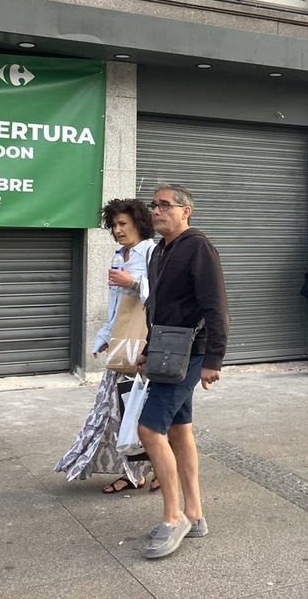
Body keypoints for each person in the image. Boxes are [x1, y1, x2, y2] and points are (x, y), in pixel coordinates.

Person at [134, 184, 229, 559]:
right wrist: (146, 349)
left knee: (149, 429)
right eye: (153, 205)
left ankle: (173, 518)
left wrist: (213, 360)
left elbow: (216, 305)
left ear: (186, 211)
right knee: (178, 428)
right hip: (165, 351)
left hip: (191, 351)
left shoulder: (198, 246)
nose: (156, 211)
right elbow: (158, 308)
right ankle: (195, 513)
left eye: (164, 205)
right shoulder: (159, 251)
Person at [55, 198, 159, 494]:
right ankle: (134, 472)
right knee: (120, 411)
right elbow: (116, 306)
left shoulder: (152, 252)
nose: (117, 230)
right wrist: (104, 337)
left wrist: (135, 282)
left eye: (122, 224)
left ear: (139, 223)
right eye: (113, 225)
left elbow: (165, 296)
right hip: (124, 342)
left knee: (138, 410)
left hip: (146, 345)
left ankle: (155, 470)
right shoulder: (120, 255)